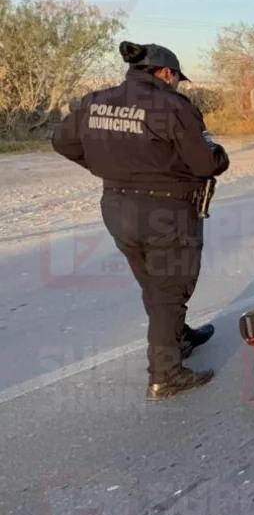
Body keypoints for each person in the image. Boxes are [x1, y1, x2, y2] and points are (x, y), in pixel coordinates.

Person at [52, 41, 230, 400]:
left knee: (154, 282)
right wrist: (220, 156)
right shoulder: (172, 106)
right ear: (165, 73)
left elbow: (62, 142)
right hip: (166, 211)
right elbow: (204, 164)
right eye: (177, 77)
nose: (178, 84)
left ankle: (178, 337)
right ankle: (166, 375)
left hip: (116, 206)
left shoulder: (95, 100)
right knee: (170, 289)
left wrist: (108, 167)